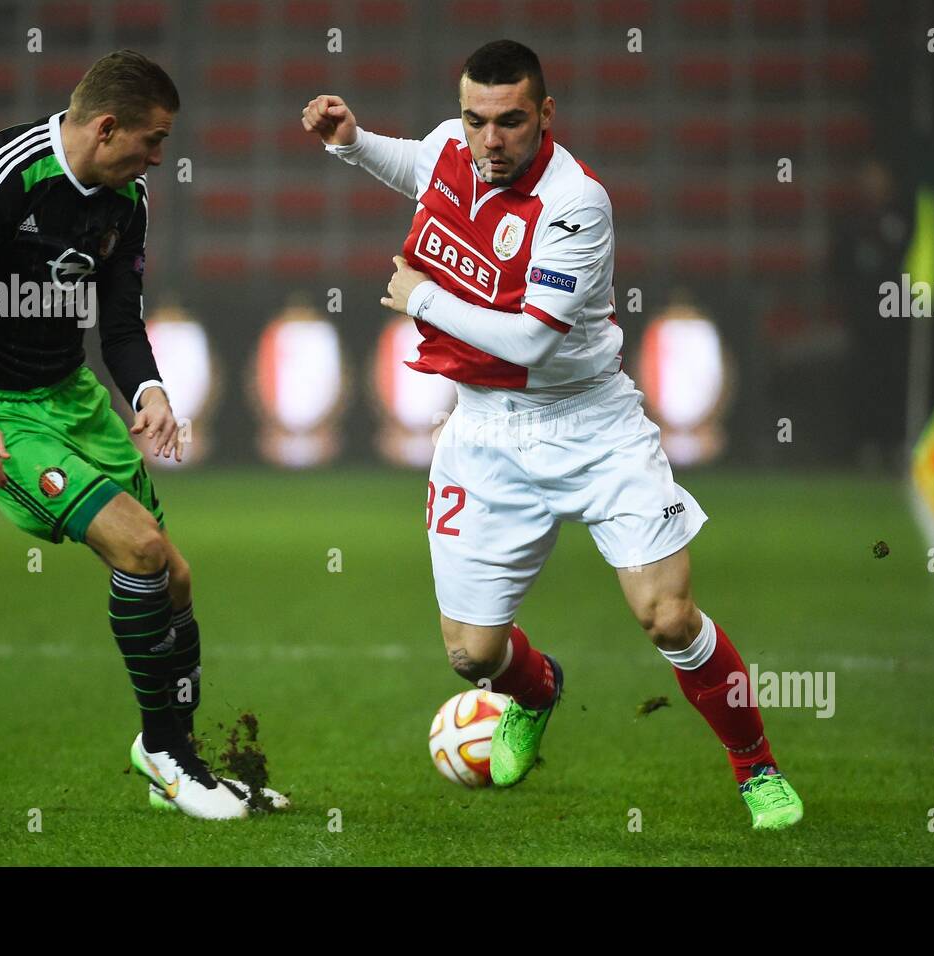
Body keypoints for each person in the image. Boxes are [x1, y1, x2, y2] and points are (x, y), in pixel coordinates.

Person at [303, 39, 802, 829]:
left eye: (508, 122)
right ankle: (536, 693)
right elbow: (420, 164)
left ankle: (757, 768)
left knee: (668, 617)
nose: (488, 140)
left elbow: (533, 340)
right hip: (484, 432)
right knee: (471, 654)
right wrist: (353, 144)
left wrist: (421, 299)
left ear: (545, 114)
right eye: (475, 120)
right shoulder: (453, 147)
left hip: (592, 425)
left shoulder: (577, 201)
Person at [0, 49, 278, 820]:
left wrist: (149, 391)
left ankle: (183, 762)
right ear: (108, 128)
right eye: (153, 140)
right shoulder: (3, 175)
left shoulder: (126, 199)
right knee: (139, 551)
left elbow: (117, 321)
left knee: (172, 575)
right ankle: (164, 754)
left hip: (71, 398)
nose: (158, 157)